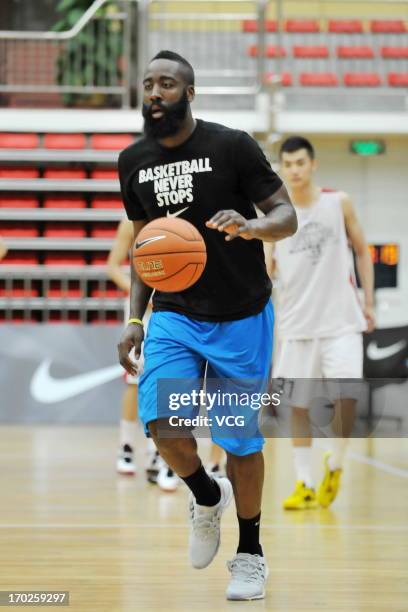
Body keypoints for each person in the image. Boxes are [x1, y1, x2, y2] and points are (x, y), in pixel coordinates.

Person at [117, 50, 296, 601]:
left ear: (189, 93)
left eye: (167, 84)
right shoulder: (133, 160)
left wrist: (253, 225)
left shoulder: (232, 145)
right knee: (163, 429)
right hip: (173, 314)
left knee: (239, 443)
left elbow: (286, 217)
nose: (155, 93)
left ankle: (250, 554)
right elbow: (147, 249)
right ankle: (205, 495)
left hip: (241, 314)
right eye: (148, 84)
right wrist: (134, 318)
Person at [272, 136, 375, 510]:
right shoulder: (275, 215)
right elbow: (266, 272)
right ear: (282, 168)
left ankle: (335, 462)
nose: (294, 169)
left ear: (313, 164)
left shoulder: (338, 202)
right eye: (288, 164)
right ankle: (304, 482)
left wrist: (368, 301)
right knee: (297, 407)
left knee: (346, 398)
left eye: (300, 162)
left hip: (341, 321)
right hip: (296, 326)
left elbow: (363, 250)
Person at [107, 218, 179, 491]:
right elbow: (113, 267)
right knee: (135, 379)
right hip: (143, 308)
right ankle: (126, 446)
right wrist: (139, 292)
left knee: (167, 379)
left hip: (173, 306)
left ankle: (159, 452)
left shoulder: (182, 216)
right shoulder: (131, 221)